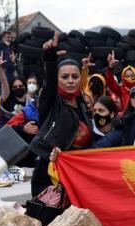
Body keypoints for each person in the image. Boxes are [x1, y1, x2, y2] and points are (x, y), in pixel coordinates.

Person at [29, 33, 93, 197]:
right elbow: (49, 82)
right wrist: (50, 59)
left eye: (75, 76)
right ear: (57, 80)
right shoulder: (50, 100)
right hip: (50, 176)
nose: (70, 80)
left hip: (78, 174)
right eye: (64, 77)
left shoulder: (83, 103)